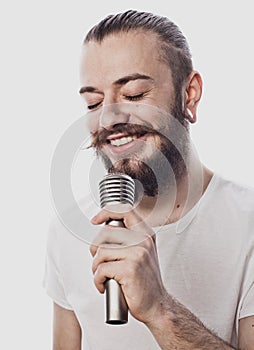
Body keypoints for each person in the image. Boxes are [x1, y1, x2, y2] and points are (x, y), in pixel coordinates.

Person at [44, 9, 254, 349]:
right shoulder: (66, 231)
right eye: (93, 102)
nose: (109, 118)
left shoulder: (248, 226)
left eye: (134, 94)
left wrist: (159, 309)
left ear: (189, 95)